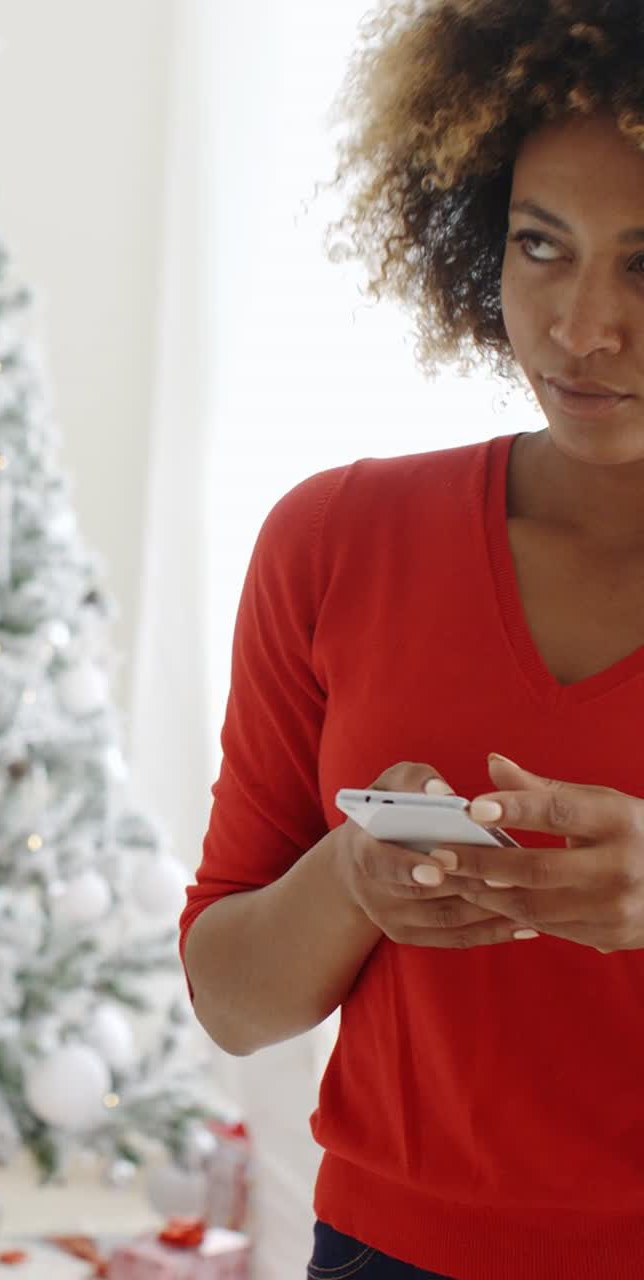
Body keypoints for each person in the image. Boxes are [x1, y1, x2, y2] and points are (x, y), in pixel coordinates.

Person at [179, 2, 644, 1277]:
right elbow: (228, 998)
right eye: (539, 246)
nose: (581, 327)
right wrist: (353, 878)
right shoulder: (336, 538)